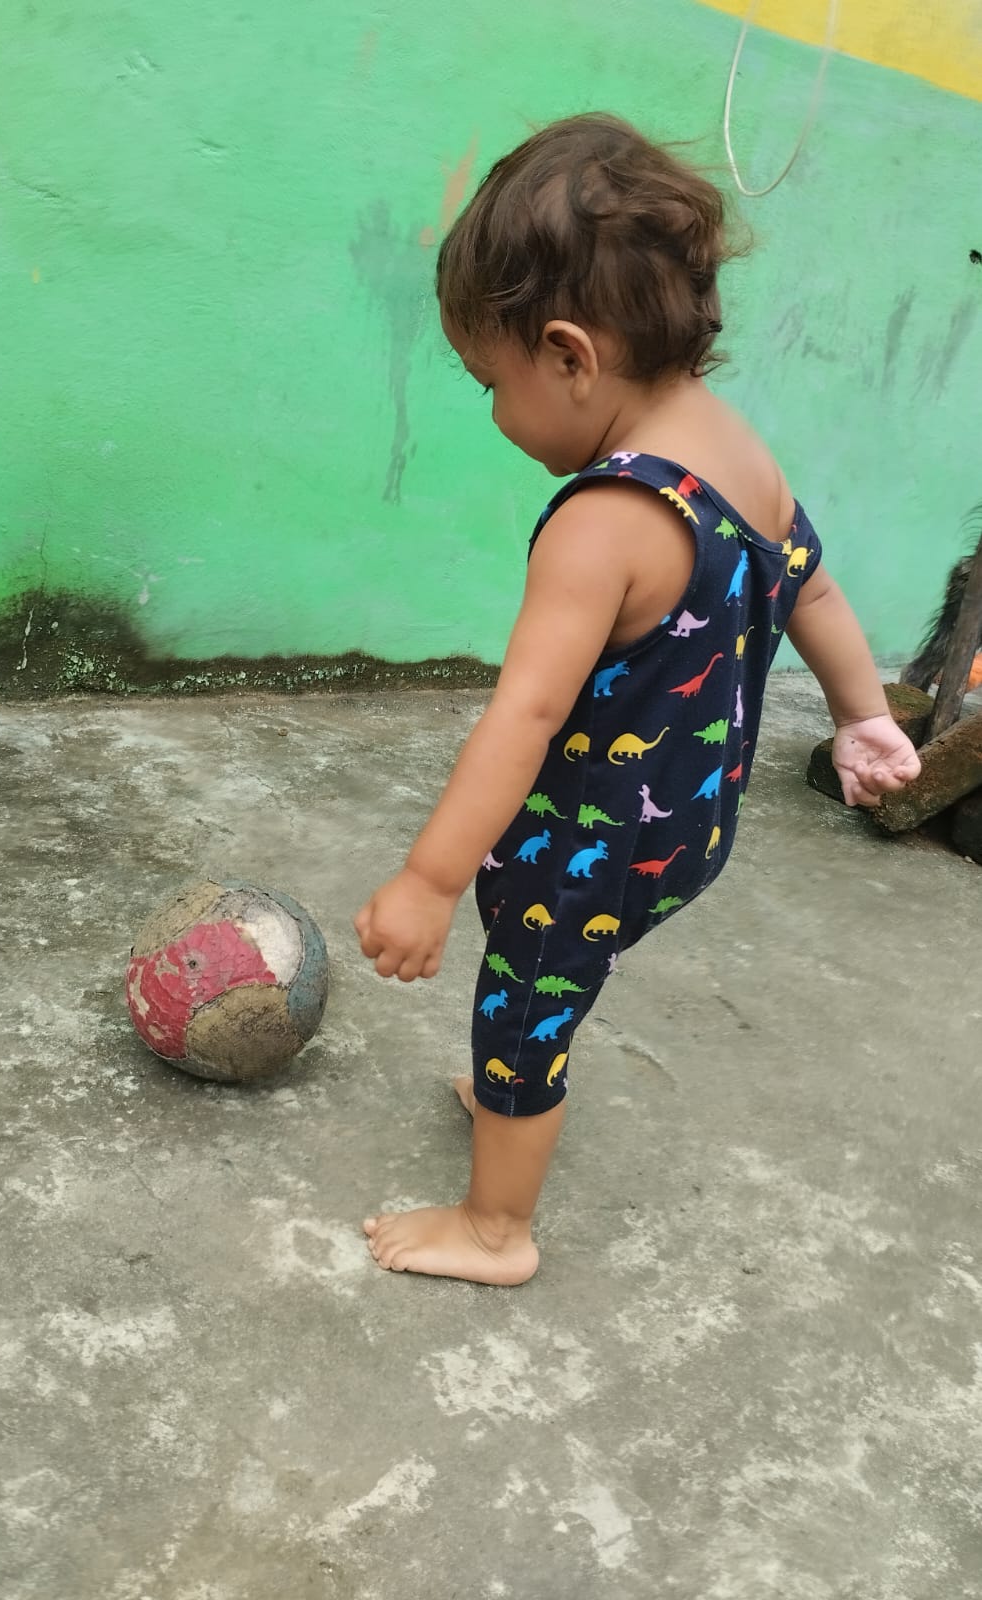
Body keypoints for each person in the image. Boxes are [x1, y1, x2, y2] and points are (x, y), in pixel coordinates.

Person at [353, 113, 922, 1286]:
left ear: (569, 355)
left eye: (490, 383)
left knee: (523, 1005)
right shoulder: (735, 446)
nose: (494, 412)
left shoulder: (605, 521)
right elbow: (811, 585)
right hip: (689, 820)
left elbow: (522, 717)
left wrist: (428, 880)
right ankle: (513, 1083)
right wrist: (862, 715)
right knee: (550, 988)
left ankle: (495, 1226)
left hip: (595, 841)